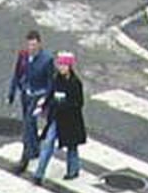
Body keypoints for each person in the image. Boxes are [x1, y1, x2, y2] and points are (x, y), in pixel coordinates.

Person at [34, 52, 88, 182]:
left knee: (71, 146)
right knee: (48, 143)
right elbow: (50, 94)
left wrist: (63, 103)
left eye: (64, 65)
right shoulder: (55, 79)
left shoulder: (75, 83)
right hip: (56, 118)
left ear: (69, 66)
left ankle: (73, 170)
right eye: (60, 64)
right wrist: (43, 107)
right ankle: (39, 174)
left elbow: (79, 103)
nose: (62, 67)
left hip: (70, 120)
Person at [8, 28, 54, 171]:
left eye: (34, 45)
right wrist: (11, 92)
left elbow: (50, 82)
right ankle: (34, 150)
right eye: (29, 45)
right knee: (30, 125)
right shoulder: (23, 55)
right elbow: (17, 73)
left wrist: (45, 99)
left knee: (28, 125)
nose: (31, 48)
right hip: (26, 94)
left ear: (39, 44)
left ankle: (25, 159)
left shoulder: (47, 60)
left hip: (38, 97)